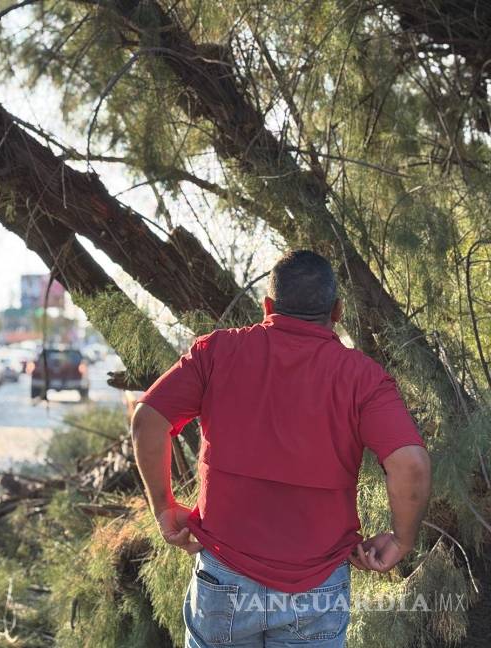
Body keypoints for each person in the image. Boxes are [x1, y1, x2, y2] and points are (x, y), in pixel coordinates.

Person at [132, 250, 431, 648]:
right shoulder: (363, 378)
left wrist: (164, 506)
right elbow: (409, 463)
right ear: (337, 310)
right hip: (316, 587)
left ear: (267, 306)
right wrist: (401, 539)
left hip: (226, 577)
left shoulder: (217, 352)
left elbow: (147, 420)